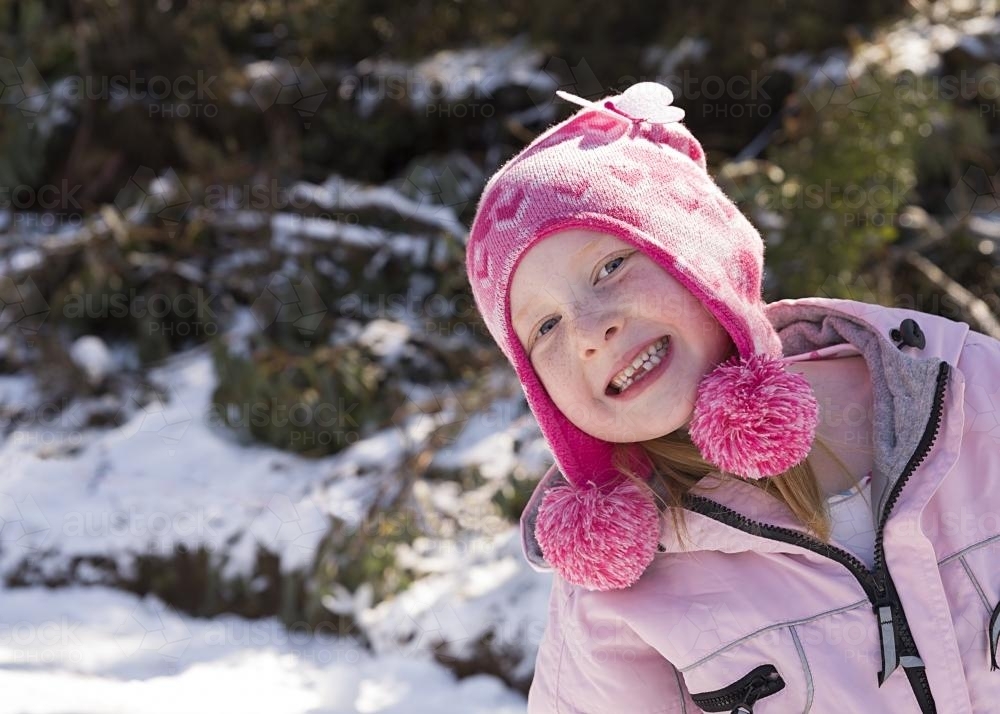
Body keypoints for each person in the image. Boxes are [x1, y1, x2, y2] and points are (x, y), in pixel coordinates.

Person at [464, 81, 1000, 713]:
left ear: (701, 260)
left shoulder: (969, 394)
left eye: (610, 267)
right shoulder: (620, 591)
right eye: (545, 327)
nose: (588, 330)